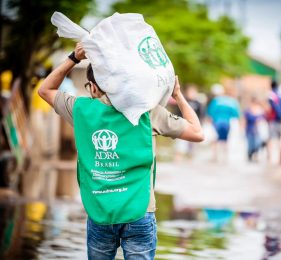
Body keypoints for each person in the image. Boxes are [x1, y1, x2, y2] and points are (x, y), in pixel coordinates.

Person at [38, 42, 204, 260]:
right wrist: (178, 95)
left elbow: (44, 90)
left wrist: (74, 58)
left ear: (94, 87)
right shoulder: (148, 113)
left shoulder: (81, 110)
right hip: (140, 213)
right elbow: (197, 133)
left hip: (99, 213)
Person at [207, 84, 240, 162]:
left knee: (215, 139)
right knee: (226, 140)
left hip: (216, 122)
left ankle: (215, 156)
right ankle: (225, 157)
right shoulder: (232, 101)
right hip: (227, 123)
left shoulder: (216, 100)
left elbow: (210, 113)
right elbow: (236, 114)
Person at [265, 80, 281, 163]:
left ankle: (269, 159)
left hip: (274, 120)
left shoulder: (271, 95)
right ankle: (280, 160)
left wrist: (280, 116)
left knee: (271, 140)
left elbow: (275, 107)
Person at [244, 97, 265, 161]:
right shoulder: (248, 110)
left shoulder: (260, 110)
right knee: (250, 144)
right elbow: (245, 120)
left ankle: (256, 155)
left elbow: (263, 119)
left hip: (258, 130)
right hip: (250, 129)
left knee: (257, 143)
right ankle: (250, 155)